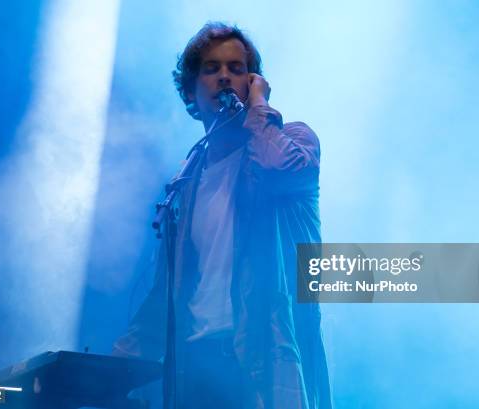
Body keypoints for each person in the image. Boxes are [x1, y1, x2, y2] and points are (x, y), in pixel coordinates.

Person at [114, 22, 332, 409]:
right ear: (191, 92)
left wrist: (259, 107)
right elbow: (166, 291)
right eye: (212, 69)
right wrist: (110, 369)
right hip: (194, 368)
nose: (225, 77)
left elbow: (282, 168)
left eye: (237, 68)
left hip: (263, 360)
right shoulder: (186, 181)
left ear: (253, 82)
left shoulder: (293, 139)